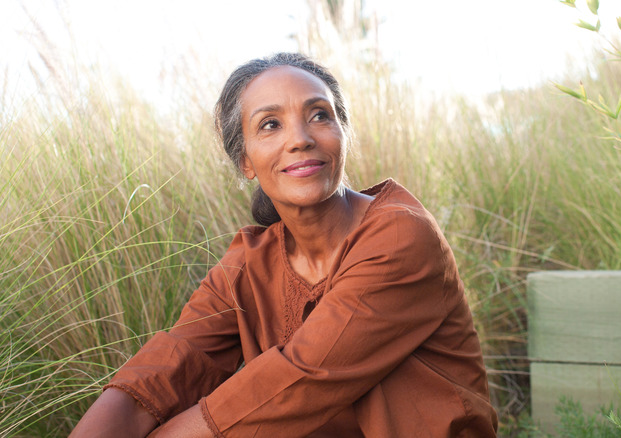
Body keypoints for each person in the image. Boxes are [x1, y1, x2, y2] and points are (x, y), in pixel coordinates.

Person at [71, 52, 497, 437]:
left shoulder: (400, 235)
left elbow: (303, 377)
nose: (300, 138)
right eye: (270, 124)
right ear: (245, 161)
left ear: (342, 135)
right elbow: (171, 364)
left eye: (319, 115)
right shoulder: (249, 263)